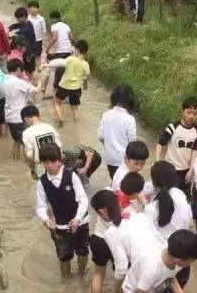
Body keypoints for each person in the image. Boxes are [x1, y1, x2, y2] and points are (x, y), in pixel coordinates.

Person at [35, 143, 90, 278]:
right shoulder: (42, 183)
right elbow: (40, 206)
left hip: (80, 222)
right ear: (42, 163)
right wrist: (45, 219)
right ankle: (66, 280)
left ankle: (82, 275)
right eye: (46, 162)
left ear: (60, 160)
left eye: (53, 161)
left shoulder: (71, 176)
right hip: (60, 225)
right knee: (63, 256)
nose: (50, 166)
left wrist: (78, 218)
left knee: (82, 251)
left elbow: (83, 199)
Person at [155, 96, 197, 192]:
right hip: (170, 169)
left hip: (186, 171)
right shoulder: (173, 127)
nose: (191, 116)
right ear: (182, 111)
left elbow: (195, 151)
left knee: (183, 198)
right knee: (167, 195)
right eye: (189, 112)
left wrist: (191, 169)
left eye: (195, 114)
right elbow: (160, 144)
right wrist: (157, 163)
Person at [98, 84, 137, 179]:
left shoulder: (106, 115)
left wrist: (109, 145)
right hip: (124, 160)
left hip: (110, 158)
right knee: (124, 185)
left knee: (114, 179)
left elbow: (100, 136)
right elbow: (133, 142)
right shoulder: (130, 119)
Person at [2, 58, 38, 159]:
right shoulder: (19, 82)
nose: (22, 73)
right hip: (19, 117)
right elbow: (34, 90)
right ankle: (29, 165)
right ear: (18, 69)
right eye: (21, 71)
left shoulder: (4, 81)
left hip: (9, 117)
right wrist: (39, 84)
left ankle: (16, 162)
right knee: (27, 144)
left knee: (16, 141)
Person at [48, 39, 90, 125]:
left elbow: (60, 64)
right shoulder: (86, 64)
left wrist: (46, 65)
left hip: (64, 86)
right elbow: (86, 77)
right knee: (74, 107)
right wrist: (85, 85)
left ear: (77, 50)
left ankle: (60, 119)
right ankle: (76, 124)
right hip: (76, 88)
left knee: (56, 102)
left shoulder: (71, 59)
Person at [20, 105, 61, 178]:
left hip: (41, 167)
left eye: (24, 120)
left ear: (27, 118)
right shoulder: (49, 127)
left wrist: (32, 169)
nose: (25, 123)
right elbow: (59, 147)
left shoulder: (27, 133)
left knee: (43, 187)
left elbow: (29, 155)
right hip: (56, 164)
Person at [44, 10, 75, 90]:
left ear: (52, 19)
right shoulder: (66, 25)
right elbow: (72, 38)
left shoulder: (54, 26)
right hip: (68, 51)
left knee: (57, 70)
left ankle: (56, 89)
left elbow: (54, 37)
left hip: (59, 52)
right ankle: (66, 89)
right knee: (66, 70)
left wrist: (47, 48)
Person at [8, 7, 37, 76]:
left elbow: (20, 33)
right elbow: (16, 25)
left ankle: (34, 84)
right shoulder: (24, 23)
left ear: (24, 17)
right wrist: (9, 28)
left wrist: (10, 36)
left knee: (28, 71)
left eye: (18, 18)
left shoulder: (28, 26)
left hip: (30, 53)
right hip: (26, 50)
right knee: (27, 71)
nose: (18, 20)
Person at [27, 0, 47, 71]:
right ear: (28, 9)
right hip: (29, 41)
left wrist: (44, 42)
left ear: (38, 9)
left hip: (38, 40)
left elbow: (44, 31)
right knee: (29, 56)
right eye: (31, 8)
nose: (33, 10)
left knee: (38, 56)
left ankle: (39, 69)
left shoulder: (41, 19)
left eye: (35, 8)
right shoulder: (27, 18)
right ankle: (29, 69)